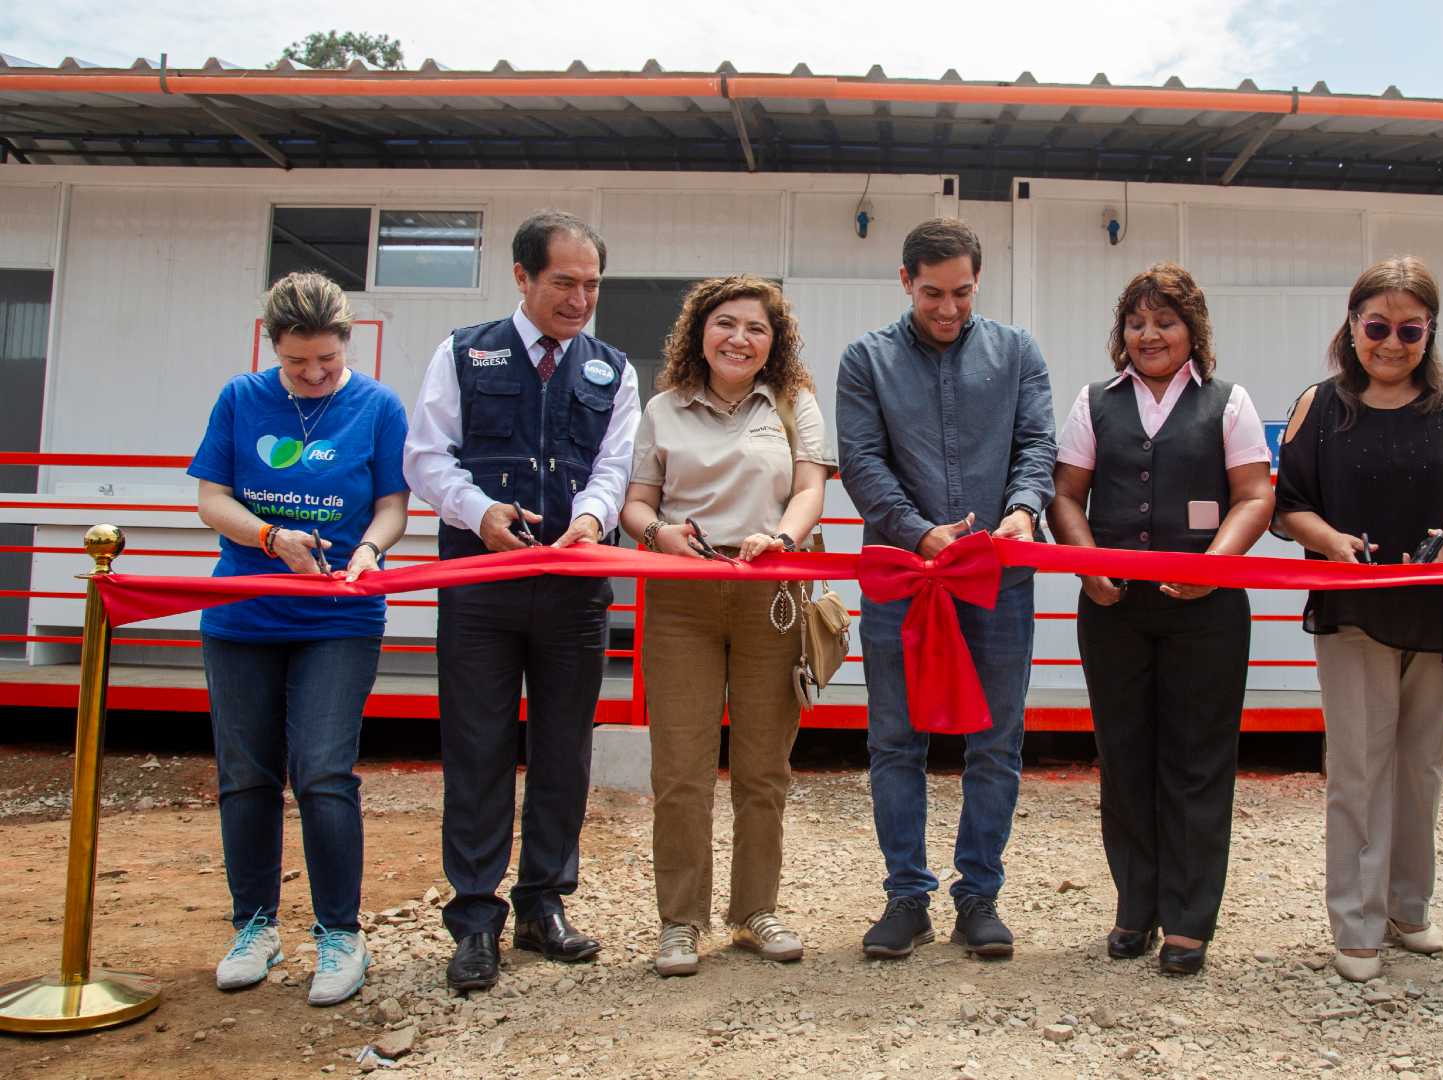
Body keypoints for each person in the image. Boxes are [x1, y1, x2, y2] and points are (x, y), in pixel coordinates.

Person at [402, 209, 640, 992]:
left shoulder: (613, 368)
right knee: (477, 749)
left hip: (574, 591)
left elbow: (615, 464)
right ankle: (474, 920)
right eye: (564, 282)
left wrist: (591, 519)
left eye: (592, 285)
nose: (579, 300)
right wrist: (480, 512)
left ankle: (544, 905)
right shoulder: (464, 352)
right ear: (523, 277)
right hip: (480, 585)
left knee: (565, 750)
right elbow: (426, 456)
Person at [1270, 256, 1443, 983]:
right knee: (1358, 765)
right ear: (1353, 325)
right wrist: (1334, 543)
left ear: (1430, 331)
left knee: (1421, 763)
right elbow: (1290, 503)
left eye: (1410, 329)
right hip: (1354, 607)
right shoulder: (1322, 404)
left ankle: (1409, 906)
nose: (1392, 343)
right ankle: (1357, 919)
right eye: (1377, 327)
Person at [836, 217, 1056, 960]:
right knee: (896, 739)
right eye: (932, 293)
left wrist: (1024, 512)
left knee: (996, 741)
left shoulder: (1018, 351)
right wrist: (918, 531)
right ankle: (906, 897)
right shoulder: (865, 360)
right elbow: (861, 461)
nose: (948, 309)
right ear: (904, 281)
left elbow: (1037, 445)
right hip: (904, 574)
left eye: (962, 292)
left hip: (999, 574)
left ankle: (978, 896)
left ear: (976, 282)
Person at [189, 271, 409, 1006]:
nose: (312, 375)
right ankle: (254, 924)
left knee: (322, 771)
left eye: (325, 360)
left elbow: (391, 504)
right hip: (243, 614)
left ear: (346, 341)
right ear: (272, 346)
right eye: (296, 363)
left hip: (338, 618)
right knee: (246, 775)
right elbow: (210, 497)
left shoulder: (377, 406)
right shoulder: (239, 398)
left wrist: (372, 551)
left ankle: (340, 934)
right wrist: (269, 535)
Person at [1047, 263, 1273, 976]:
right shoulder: (1093, 403)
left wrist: (1211, 567)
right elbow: (1066, 496)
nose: (1150, 335)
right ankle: (1133, 909)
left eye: (1165, 322)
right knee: (1125, 758)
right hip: (1113, 610)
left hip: (1205, 613)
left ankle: (1189, 920)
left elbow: (1254, 497)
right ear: (1122, 333)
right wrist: (1087, 566)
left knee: (1197, 762)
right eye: (1137, 322)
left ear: (1191, 331)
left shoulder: (1228, 404)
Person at [619, 276, 833, 977]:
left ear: (776, 343)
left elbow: (809, 488)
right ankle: (681, 920)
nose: (740, 338)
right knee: (680, 768)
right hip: (682, 597)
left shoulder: (795, 403)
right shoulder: (662, 407)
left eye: (757, 328)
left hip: (771, 593)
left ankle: (754, 911)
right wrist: (658, 534)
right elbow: (636, 502)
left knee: (762, 766)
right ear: (699, 333)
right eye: (726, 324)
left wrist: (784, 536)